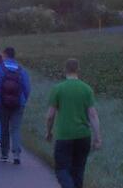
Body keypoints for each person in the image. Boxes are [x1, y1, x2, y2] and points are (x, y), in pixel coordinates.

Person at [46, 59, 102, 188]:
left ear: (65, 70)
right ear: (78, 70)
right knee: (78, 170)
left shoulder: (58, 89)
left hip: (64, 136)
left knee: (61, 170)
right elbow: (93, 115)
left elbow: (50, 116)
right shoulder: (86, 89)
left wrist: (49, 132)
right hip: (83, 136)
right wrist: (97, 137)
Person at [0, 47, 30, 164]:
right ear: (14, 56)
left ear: (4, 55)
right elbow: (27, 87)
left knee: (4, 128)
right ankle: (16, 155)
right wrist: (24, 99)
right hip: (18, 103)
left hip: (2, 102)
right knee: (16, 128)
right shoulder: (21, 69)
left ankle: (4, 154)